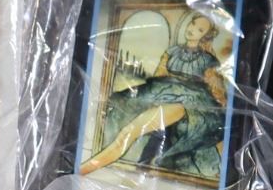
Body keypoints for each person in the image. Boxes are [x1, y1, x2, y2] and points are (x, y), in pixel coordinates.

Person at [80, 10, 234, 180]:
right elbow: (159, 76)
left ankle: (82, 170)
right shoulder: (172, 51)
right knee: (122, 113)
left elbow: (217, 88)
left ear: (205, 36)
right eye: (193, 23)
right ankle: (84, 168)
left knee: (129, 132)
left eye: (200, 30)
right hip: (163, 91)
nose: (192, 29)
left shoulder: (207, 60)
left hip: (189, 101)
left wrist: (220, 102)